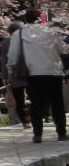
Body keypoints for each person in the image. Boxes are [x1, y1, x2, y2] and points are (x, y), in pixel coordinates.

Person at [8, 8, 69, 143]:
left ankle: (38, 134)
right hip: (54, 71)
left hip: (34, 72)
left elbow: (13, 55)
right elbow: (63, 49)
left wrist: (10, 69)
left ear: (25, 19)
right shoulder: (52, 32)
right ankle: (61, 132)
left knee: (36, 103)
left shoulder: (19, 34)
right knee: (57, 102)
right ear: (40, 18)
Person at [0, 20, 30, 129]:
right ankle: (40, 116)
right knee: (35, 96)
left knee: (19, 99)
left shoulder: (6, 43)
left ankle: (25, 122)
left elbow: (4, 60)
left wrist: (4, 76)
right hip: (29, 72)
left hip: (13, 74)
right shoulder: (27, 39)